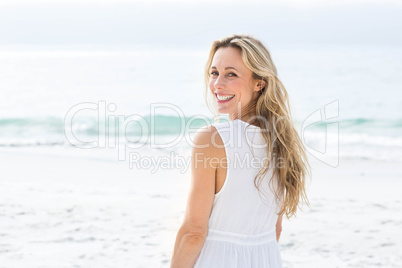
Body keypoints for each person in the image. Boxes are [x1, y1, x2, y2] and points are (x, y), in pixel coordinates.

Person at [170, 34, 311, 268]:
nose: (217, 84)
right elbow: (275, 230)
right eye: (214, 73)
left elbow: (193, 233)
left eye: (231, 74)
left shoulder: (212, 139)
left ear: (259, 82)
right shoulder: (283, 141)